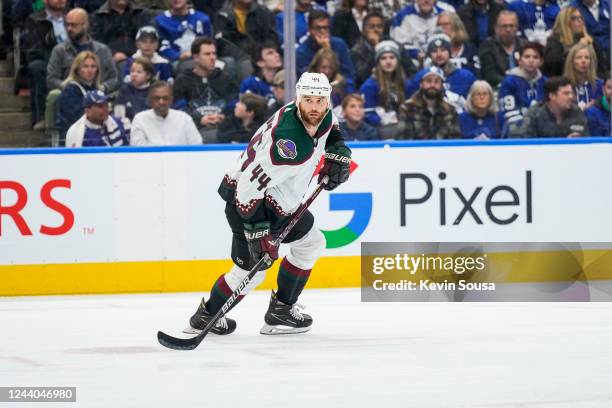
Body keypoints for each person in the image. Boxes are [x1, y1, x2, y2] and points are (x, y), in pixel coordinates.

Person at [184, 72, 351, 336]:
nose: (315, 108)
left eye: (320, 100)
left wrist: (338, 152)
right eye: (308, 100)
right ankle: (205, 318)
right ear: (298, 99)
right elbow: (248, 186)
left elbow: (332, 131)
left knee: (311, 242)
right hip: (249, 204)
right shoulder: (288, 145)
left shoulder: (322, 115)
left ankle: (281, 311)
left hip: (282, 200)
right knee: (252, 270)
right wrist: (257, 232)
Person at [173, 37, 239, 143]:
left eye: (214, 53)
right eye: (207, 54)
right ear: (195, 57)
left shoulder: (226, 78)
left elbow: (234, 104)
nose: (212, 57)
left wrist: (224, 117)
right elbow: (180, 108)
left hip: (223, 128)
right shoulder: (182, 80)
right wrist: (199, 119)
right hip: (193, 130)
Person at [46, 8, 119, 93]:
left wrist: (101, 88)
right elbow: (51, 80)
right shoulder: (59, 50)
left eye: (74, 25)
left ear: (85, 25)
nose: (69, 29)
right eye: (67, 25)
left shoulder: (103, 50)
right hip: (69, 96)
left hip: (97, 97)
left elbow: (114, 78)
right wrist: (73, 89)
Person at [21, 0, 68, 130]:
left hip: (75, 60)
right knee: (36, 67)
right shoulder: (34, 20)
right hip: (47, 60)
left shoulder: (72, 17)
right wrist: (56, 61)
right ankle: (41, 118)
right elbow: (33, 49)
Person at [407, 32, 476, 112]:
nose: (439, 54)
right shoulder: (420, 77)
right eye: (434, 51)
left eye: (443, 50)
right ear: (429, 55)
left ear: (450, 53)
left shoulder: (466, 76)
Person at [359, 40, 409, 138]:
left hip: (400, 125)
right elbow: (366, 114)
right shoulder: (369, 86)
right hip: (378, 129)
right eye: (383, 58)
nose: (388, 61)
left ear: (397, 61)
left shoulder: (404, 82)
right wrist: (382, 119)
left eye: (392, 57)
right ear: (378, 62)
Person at [542, 6, 608, 77]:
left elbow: (601, 68)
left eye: (581, 18)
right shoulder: (554, 40)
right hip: (564, 82)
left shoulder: (591, 40)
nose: (580, 21)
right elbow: (553, 66)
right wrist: (579, 46)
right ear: (564, 21)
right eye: (574, 18)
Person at [498, 41, 546, 137]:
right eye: (527, 57)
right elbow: (509, 114)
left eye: (535, 57)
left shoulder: (546, 83)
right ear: (519, 60)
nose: (531, 61)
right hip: (516, 132)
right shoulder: (509, 82)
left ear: (541, 61)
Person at [131, 81, 202, 145]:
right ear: (150, 100)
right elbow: (138, 152)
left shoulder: (184, 119)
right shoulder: (139, 119)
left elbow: (197, 146)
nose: (161, 102)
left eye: (165, 98)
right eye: (157, 98)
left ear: (171, 100)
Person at [514, 76, 589, 137]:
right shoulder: (534, 114)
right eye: (566, 93)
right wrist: (564, 143)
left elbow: (585, 137)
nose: (571, 97)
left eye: (571, 93)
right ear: (552, 96)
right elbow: (527, 143)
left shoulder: (576, 112)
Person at [399, 66, 461, 139]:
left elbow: (455, 140)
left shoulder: (450, 110)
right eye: (428, 81)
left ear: (441, 86)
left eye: (436, 82)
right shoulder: (407, 108)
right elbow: (404, 139)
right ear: (421, 84)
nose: (432, 85)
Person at [56, 51, 102, 145]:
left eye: (93, 67)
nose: (90, 70)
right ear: (77, 70)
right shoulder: (70, 91)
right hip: (74, 140)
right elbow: (79, 118)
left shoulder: (98, 90)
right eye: (85, 66)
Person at [296, 10, 356, 82]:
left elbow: (349, 76)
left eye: (325, 28)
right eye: (318, 28)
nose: (322, 31)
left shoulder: (340, 44)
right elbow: (307, 80)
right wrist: (325, 51)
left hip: (339, 88)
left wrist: (328, 50)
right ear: (310, 30)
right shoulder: (301, 52)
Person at [90, 0, 153, 65]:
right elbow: (96, 43)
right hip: (111, 60)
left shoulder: (141, 14)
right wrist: (112, 54)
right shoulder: (97, 17)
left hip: (140, 58)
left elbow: (150, 38)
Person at [390, 0, 455, 63]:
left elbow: (454, 37)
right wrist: (416, 54)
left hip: (440, 57)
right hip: (413, 61)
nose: (426, 0)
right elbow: (399, 44)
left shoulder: (444, 15)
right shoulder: (402, 16)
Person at [66, 90, 130, 147]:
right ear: (88, 111)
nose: (106, 109)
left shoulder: (119, 123)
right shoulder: (78, 134)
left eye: (106, 105)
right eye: (100, 106)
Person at [478, 10, 523, 88]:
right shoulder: (487, 46)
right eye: (504, 26)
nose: (508, 30)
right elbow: (490, 75)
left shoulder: (525, 45)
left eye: (511, 26)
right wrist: (513, 83)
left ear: (517, 28)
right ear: (496, 28)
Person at [239, 42, 282, 109]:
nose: (277, 55)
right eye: (270, 53)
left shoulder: (287, 78)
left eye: (276, 52)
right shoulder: (250, 84)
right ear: (260, 63)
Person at [436, 11, 480, 76]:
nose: (442, 28)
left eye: (446, 24)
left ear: (456, 26)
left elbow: (477, 74)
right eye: (440, 25)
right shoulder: (435, 52)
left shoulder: (470, 50)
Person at [563, 43, 603, 110]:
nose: (583, 61)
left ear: (591, 62)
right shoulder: (563, 85)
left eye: (587, 58)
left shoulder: (600, 85)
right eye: (579, 57)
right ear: (571, 61)